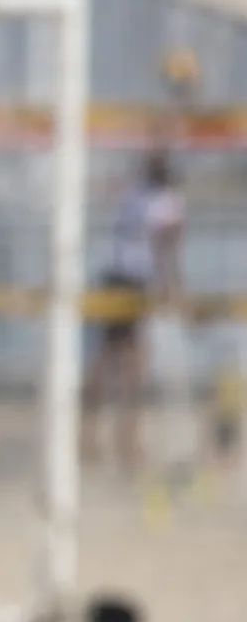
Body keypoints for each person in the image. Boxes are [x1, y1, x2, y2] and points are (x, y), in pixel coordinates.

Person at [83, 150, 185, 476]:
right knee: (132, 365)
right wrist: (172, 287)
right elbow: (165, 249)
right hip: (132, 282)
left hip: (116, 277)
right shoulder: (164, 201)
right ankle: (123, 439)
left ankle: (94, 437)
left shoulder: (134, 191)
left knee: (107, 361)